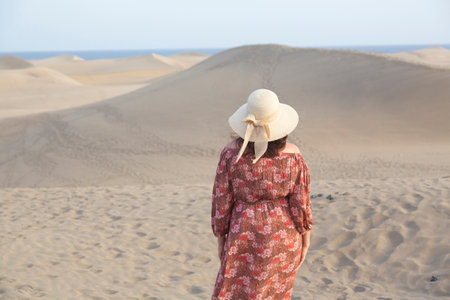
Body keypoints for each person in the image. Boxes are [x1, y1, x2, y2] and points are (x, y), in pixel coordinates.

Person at [210, 89, 313, 300]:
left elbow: (222, 200)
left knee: (232, 293)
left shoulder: (230, 154)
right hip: (284, 236)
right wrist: (305, 239)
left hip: (243, 235)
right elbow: (301, 203)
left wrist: (221, 236)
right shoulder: (294, 156)